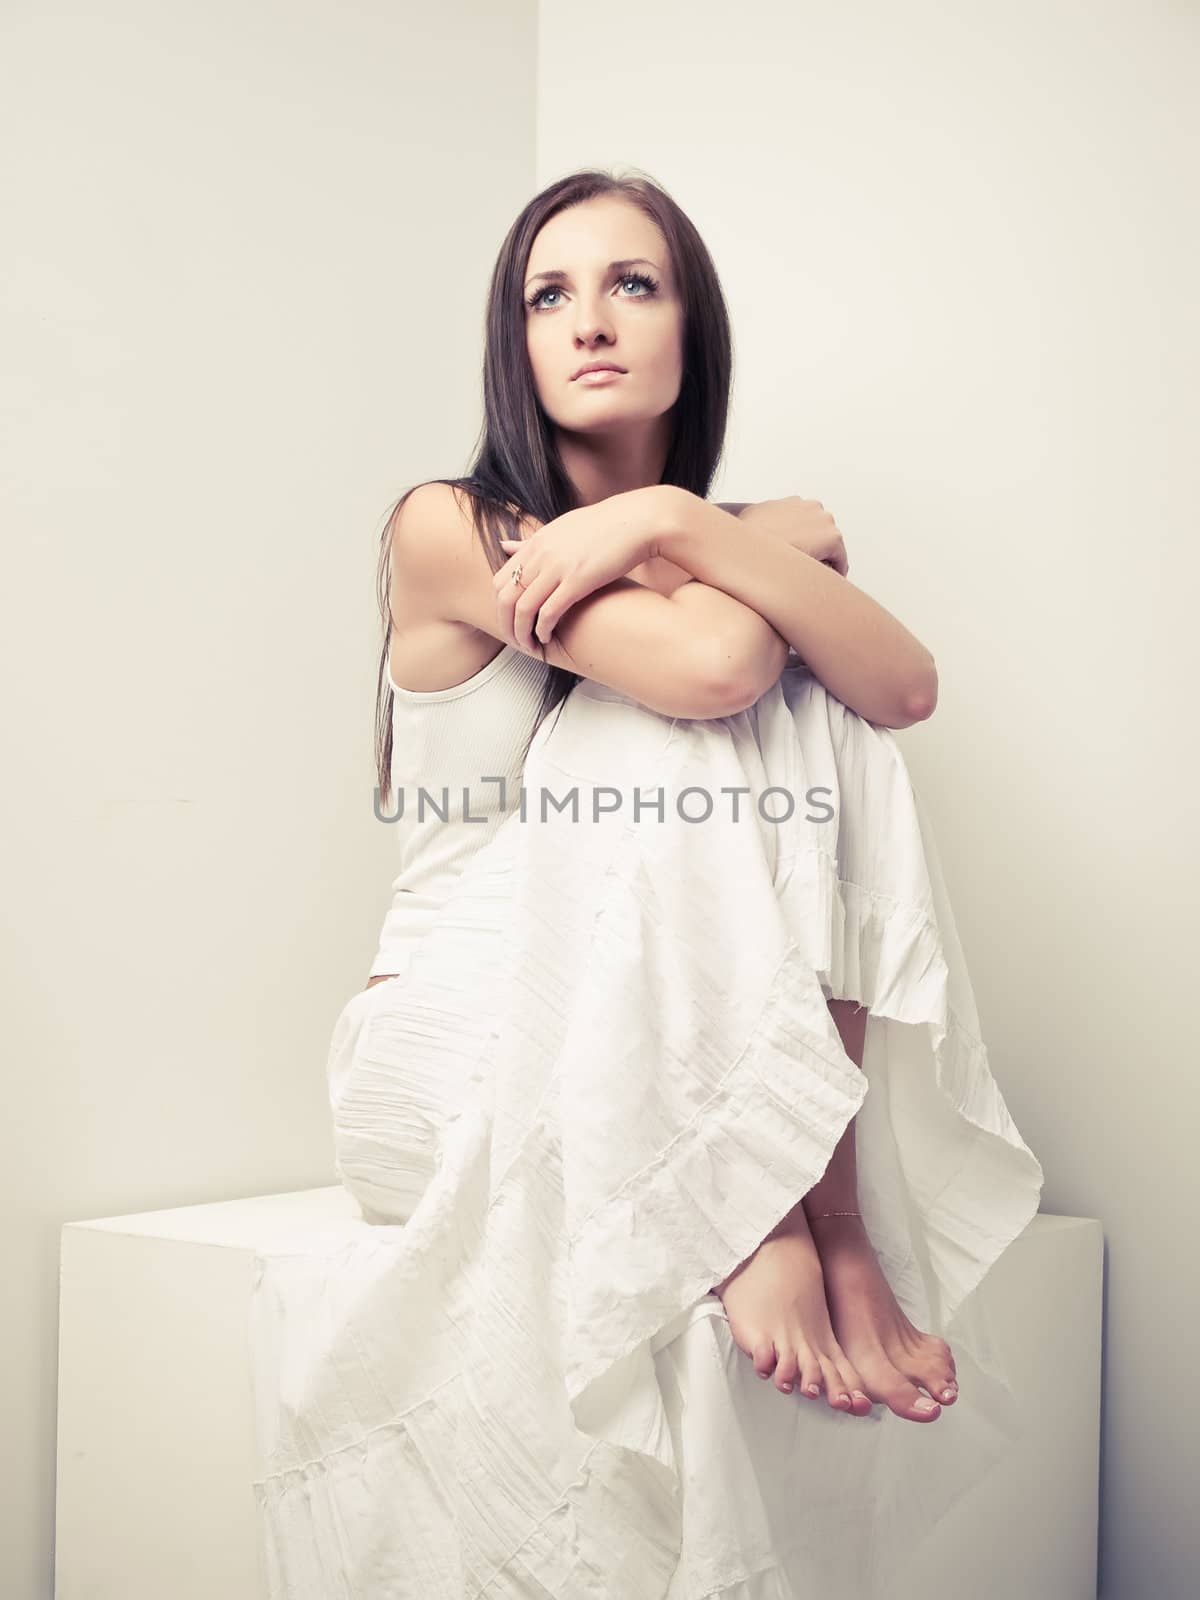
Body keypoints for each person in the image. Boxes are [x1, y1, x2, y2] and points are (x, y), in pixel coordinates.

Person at [250, 167, 1044, 1599]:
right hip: (444, 1048)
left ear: (693, 328)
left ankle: (823, 1208)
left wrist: (674, 519)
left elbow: (905, 687)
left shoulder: (700, 537)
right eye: (548, 294)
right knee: (674, 711)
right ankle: (741, 1211)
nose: (588, 321)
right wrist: (742, 531)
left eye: (633, 284)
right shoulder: (448, 524)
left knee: (828, 717)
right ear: (513, 341)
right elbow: (712, 665)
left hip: (636, 1017)